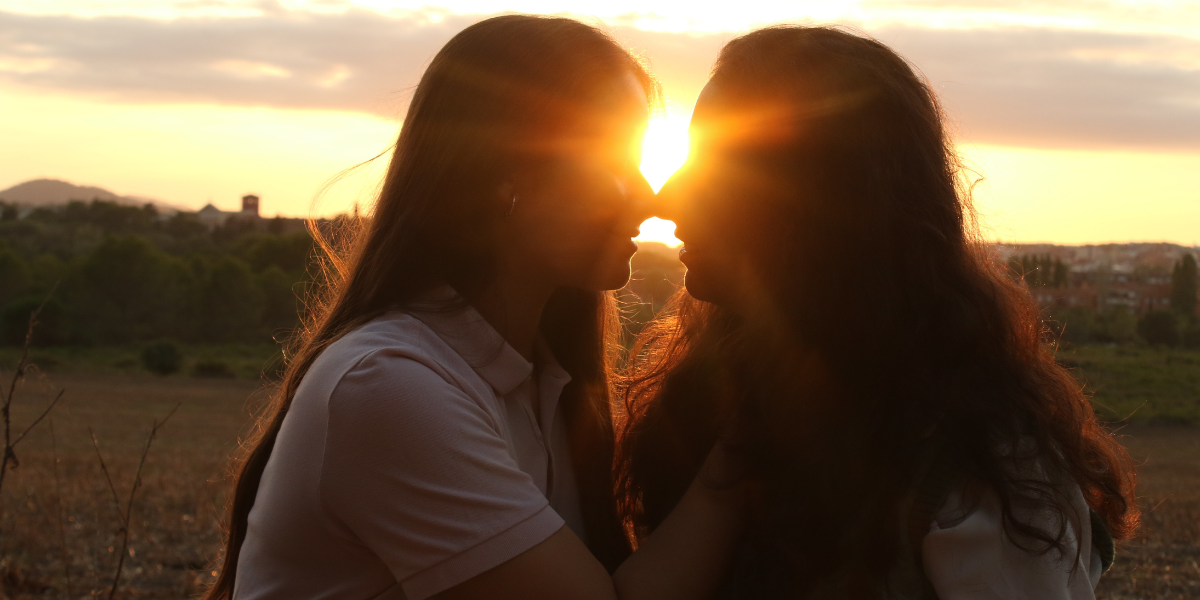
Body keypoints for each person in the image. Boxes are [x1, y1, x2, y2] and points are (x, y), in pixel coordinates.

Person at [206, 15, 743, 600]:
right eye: (616, 163)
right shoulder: (390, 384)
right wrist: (740, 461)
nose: (650, 196)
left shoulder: (542, 384)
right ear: (503, 176)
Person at [618, 26, 1139, 600]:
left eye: (714, 166)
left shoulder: (980, 469)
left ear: (819, 202)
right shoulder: (718, 401)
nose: (666, 198)